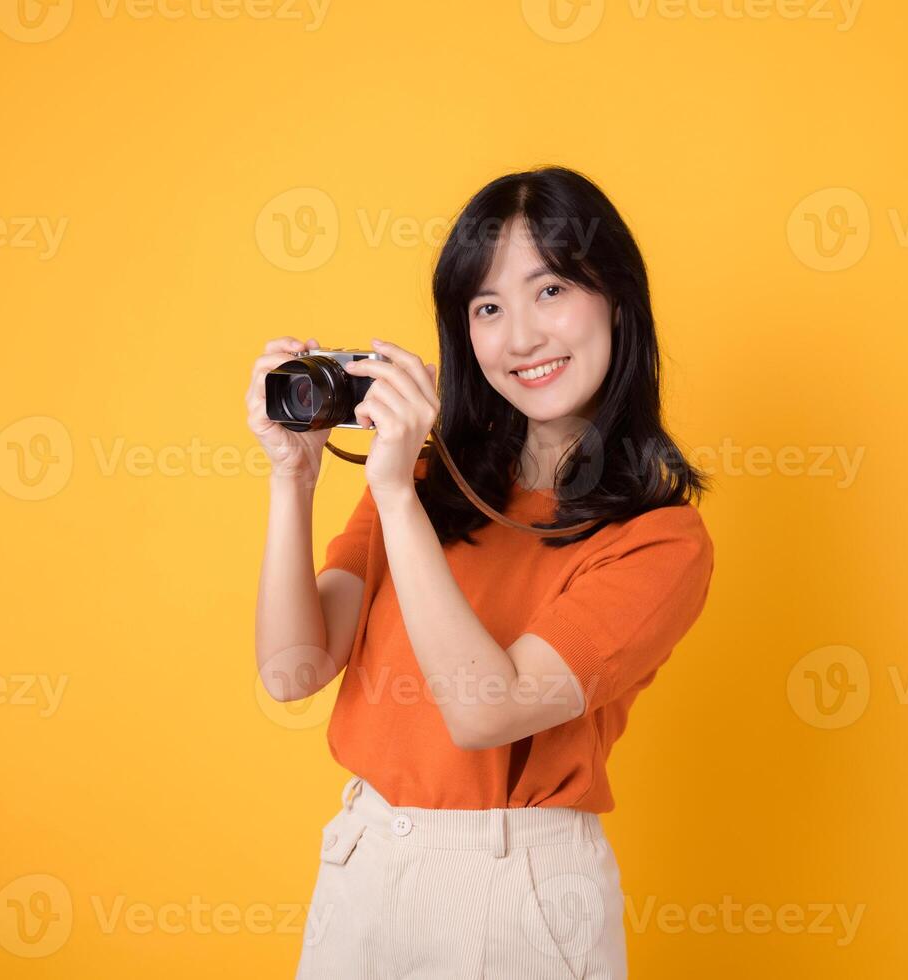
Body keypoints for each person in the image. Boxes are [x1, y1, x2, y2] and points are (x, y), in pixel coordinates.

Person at [246, 165, 714, 979]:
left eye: (551, 290)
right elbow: (292, 670)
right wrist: (295, 477)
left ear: (616, 301)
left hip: (516, 885)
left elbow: (484, 712)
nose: (521, 337)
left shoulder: (659, 541)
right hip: (363, 861)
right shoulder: (427, 482)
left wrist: (394, 494)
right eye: (487, 308)